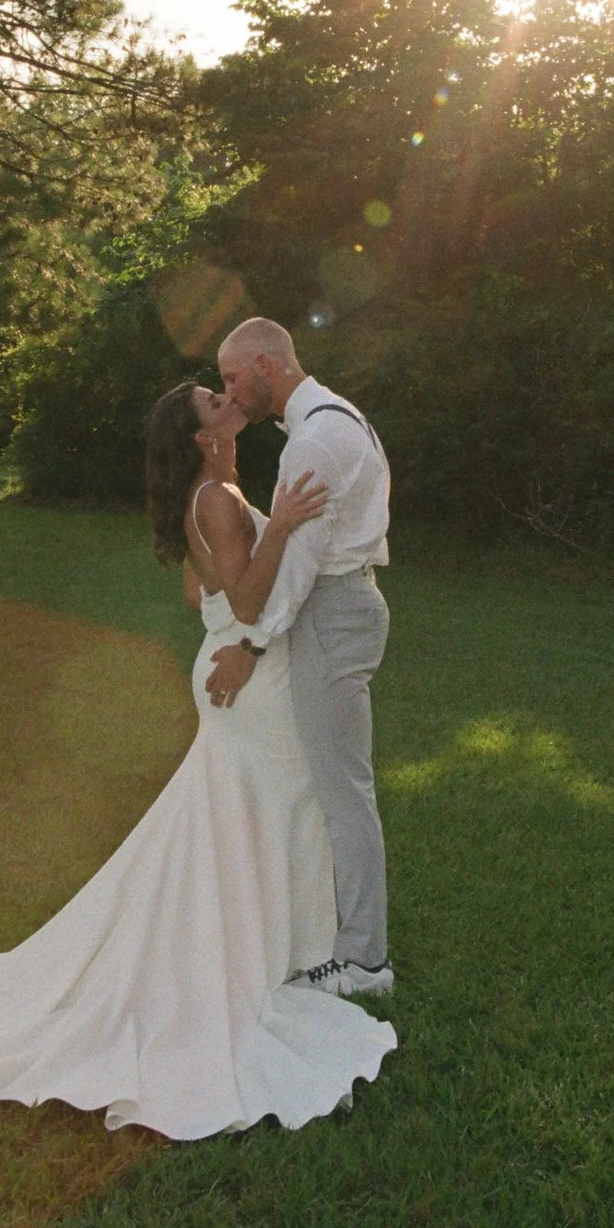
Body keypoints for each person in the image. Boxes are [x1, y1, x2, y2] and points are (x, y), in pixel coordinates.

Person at [0, 378, 395, 1138]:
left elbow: (199, 593)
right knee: (272, 806)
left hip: (237, 670)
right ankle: (267, 961)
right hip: (250, 679)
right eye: (213, 401)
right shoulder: (216, 496)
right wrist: (278, 542)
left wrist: (237, 609)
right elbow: (245, 599)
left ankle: (277, 952)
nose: (226, 399)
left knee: (249, 813)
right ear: (201, 437)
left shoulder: (214, 495)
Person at [207, 316, 395, 998]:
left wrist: (253, 643)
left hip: (331, 612)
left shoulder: (314, 438)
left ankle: (365, 962)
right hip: (343, 606)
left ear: (265, 362)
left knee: (343, 791)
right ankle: (337, 936)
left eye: (231, 377)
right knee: (338, 785)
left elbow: (302, 563)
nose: (228, 391)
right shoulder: (337, 418)